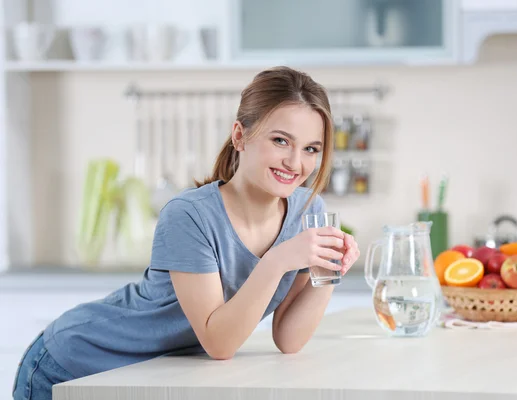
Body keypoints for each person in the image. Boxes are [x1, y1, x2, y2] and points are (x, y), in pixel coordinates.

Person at [12, 65, 360, 400]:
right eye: (281, 140)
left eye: (311, 149)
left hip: (157, 376)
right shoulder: (189, 216)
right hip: (76, 365)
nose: (295, 163)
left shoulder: (307, 211)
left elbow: (289, 339)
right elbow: (219, 343)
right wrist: (279, 260)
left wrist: (328, 271)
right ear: (240, 136)